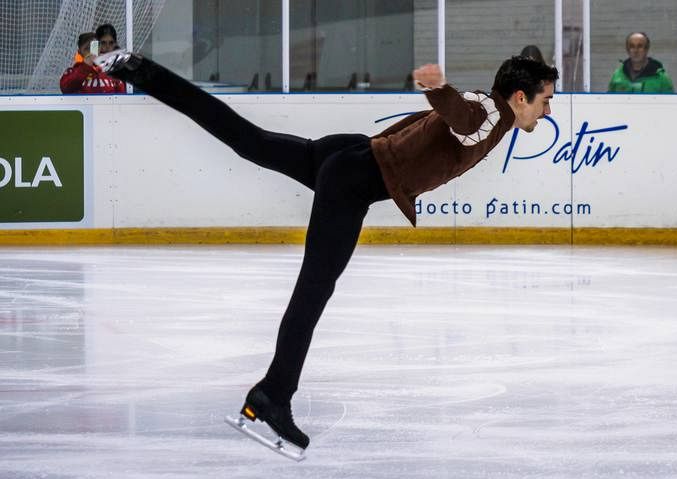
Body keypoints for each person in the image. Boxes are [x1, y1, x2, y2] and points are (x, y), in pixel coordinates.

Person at [95, 50, 558, 451]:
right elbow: (464, 119)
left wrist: (439, 99)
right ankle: (273, 395)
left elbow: (452, 121)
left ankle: (138, 70)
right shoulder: (491, 116)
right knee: (312, 292)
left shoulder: (487, 108)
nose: (548, 109)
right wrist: (438, 90)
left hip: (351, 155)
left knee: (248, 140)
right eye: (545, 100)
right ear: (521, 97)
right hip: (353, 181)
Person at [607, 31, 674, 93]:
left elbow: (670, 101)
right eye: (632, 46)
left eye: (640, 46)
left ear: (646, 49)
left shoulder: (661, 78)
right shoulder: (618, 75)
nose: (636, 50)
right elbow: (609, 100)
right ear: (627, 50)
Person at [60, 32, 126, 94]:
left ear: (100, 48)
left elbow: (122, 96)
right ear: (80, 52)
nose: (90, 52)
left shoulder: (111, 72)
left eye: (93, 48)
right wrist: (86, 66)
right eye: (86, 49)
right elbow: (66, 89)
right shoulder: (72, 72)